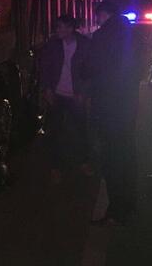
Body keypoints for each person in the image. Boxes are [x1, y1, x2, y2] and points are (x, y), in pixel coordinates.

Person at [88, 1, 141, 226]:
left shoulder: (102, 36)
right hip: (127, 105)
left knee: (111, 160)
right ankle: (129, 206)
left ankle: (116, 211)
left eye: (98, 16)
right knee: (127, 156)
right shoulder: (133, 34)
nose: (97, 20)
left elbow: (91, 68)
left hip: (109, 107)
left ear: (103, 14)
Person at [39, 15, 91, 184]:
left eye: (61, 27)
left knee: (81, 130)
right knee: (55, 131)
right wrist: (47, 89)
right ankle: (56, 167)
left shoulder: (84, 44)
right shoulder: (53, 45)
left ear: (70, 28)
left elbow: (89, 71)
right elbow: (45, 67)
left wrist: (83, 92)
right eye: (57, 27)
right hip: (57, 94)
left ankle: (84, 162)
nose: (57, 30)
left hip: (75, 95)